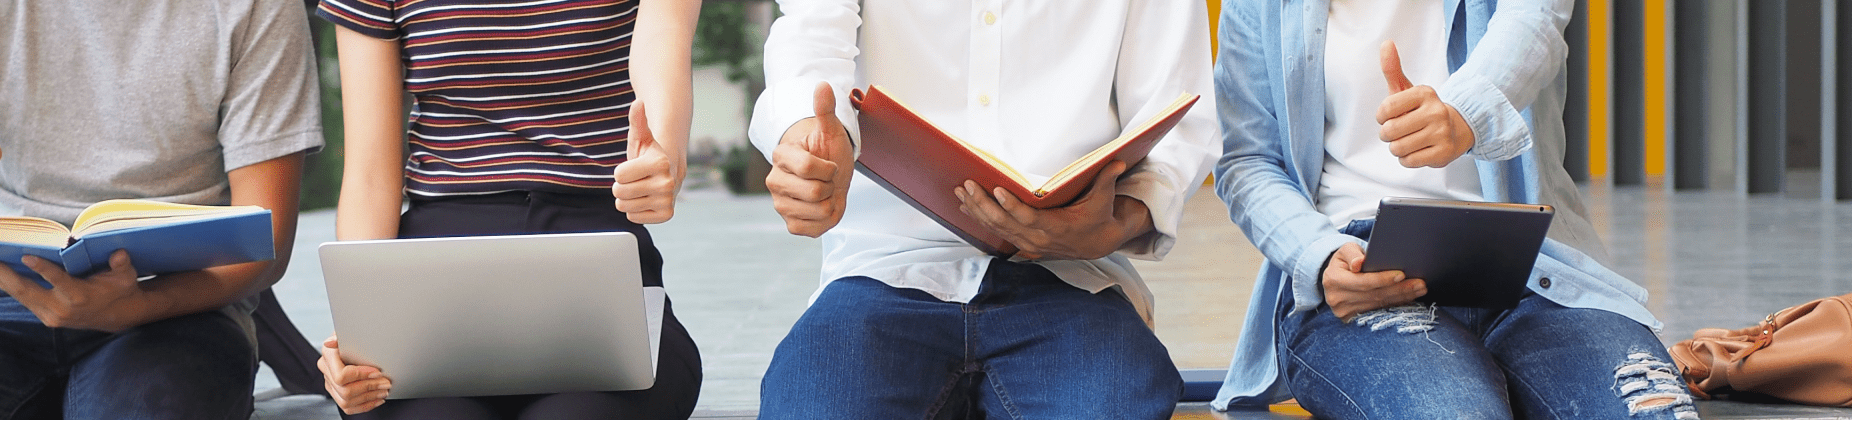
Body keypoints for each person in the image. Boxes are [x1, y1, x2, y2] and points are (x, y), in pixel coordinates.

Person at [1206, 1, 1694, 419]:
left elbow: (1536, 20)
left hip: (1535, 267)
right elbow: (1249, 161)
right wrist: (1318, 254)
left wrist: (1464, 113)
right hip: (1358, 270)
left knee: (1653, 408)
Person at [749, 1, 1219, 418]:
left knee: (1112, 403)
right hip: (883, 268)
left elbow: (1176, 118)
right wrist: (806, 139)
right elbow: (809, 41)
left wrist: (1120, 220)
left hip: (1072, 276)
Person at [0, 1, 322, 419]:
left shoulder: (260, 7)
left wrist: (142, 305)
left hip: (181, 302)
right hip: (4, 293)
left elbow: (267, 240)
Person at [312, 0, 704, 418]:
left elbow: (663, 46)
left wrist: (661, 157)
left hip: (598, 268)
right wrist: (360, 328)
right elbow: (370, 177)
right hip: (432, 287)